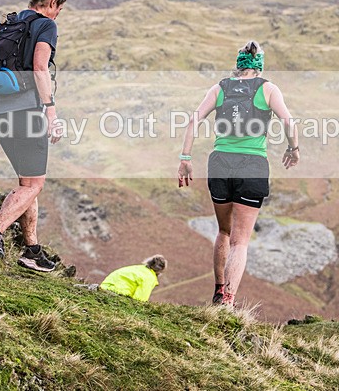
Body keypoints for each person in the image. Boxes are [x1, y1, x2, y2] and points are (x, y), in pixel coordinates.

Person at [177, 41, 300, 308]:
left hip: (220, 163)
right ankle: (228, 301)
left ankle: (218, 290)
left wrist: (185, 158)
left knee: (224, 231)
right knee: (240, 241)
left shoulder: (220, 88)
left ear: (238, 64)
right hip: (252, 165)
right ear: (260, 66)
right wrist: (293, 148)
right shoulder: (268, 89)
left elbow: (194, 120)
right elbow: (288, 122)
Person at [0, 0, 66, 272]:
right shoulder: (46, 25)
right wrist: (51, 113)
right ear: (52, 3)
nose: (58, 14)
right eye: (60, 9)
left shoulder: (5, 24)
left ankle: (31, 250)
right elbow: (39, 68)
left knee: (27, 182)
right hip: (27, 113)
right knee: (34, 184)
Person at [99, 255, 167, 301]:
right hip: (116, 294)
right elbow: (139, 300)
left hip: (104, 287)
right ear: (160, 271)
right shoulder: (149, 277)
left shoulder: (138, 268)